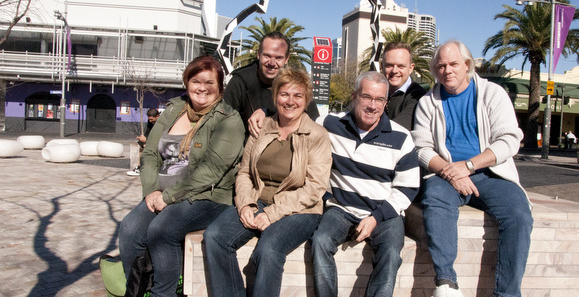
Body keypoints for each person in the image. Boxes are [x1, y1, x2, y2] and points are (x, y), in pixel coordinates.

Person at [411, 40, 533, 297]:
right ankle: (446, 283)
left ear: (467, 65)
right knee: (434, 199)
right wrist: (449, 172)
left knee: (519, 215)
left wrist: (468, 166)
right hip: (445, 174)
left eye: (454, 63)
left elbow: (510, 140)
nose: (448, 70)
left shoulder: (492, 94)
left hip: (491, 173)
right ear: (435, 70)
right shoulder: (427, 102)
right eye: (441, 65)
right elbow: (421, 149)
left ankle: (507, 293)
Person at [118, 56, 245, 297]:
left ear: (220, 86)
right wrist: (151, 190)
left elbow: (212, 170)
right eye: (196, 80)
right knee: (130, 229)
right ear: (187, 82)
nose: (202, 87)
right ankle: (137, 290)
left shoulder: (228, 119)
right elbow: (151, 154)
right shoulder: (174, 109)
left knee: (162, 230)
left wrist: (169, 196)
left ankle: (163, 293)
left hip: (207, 196)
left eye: (210, 82)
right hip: (162, 194)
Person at [203, 67, 332, 297]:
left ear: (307, 100)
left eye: (298, 96)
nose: (290, 101)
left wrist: (272, 213)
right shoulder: (262, 128)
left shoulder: (317, 135)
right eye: (284, 94)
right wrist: (244, 204)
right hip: (257, 200)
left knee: (269, 249)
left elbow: (315, 187)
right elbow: (244, 172)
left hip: (299, 210)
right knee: (215, 236)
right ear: (275, 97)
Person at [311, 71, 420, 297]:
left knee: (390, 254)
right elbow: (298, 122)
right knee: (320, 242)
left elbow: (408, 187)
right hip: (341, 209)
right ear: (354, 96)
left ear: (386, 102)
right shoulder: (330, 124)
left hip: (384, 213)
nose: (373, 105)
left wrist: (376, 218)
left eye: (380, 99)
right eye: (367, 97)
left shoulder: (401, 137)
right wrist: (263, 113)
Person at [224, 31, 319, 137]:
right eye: (267, 56)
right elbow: (224, 124)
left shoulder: (296, 84)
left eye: (278, 58)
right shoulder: (240, 82)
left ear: (286, 59)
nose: (272, 63)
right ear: (258, 55)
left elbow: (313, 120)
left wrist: (267, 113)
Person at [382, 42, 427, 130]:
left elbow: (398, 128)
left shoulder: (417, 96)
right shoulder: (374, 91)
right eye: (389, 65)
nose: (394, 70)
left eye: (401, 66)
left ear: (411, 68)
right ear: (382, 66)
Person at [127, 108, 160, 176]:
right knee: (141, 146)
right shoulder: (150, 122)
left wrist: (147, 140)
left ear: (157, 116)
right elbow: (148, 131)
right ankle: (140, 167)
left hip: (161, 140)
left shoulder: (162, 123)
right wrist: (143, 140)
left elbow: (160, 135)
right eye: (149, 119)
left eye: (152, 120)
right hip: (153, 139)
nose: (150, 121)